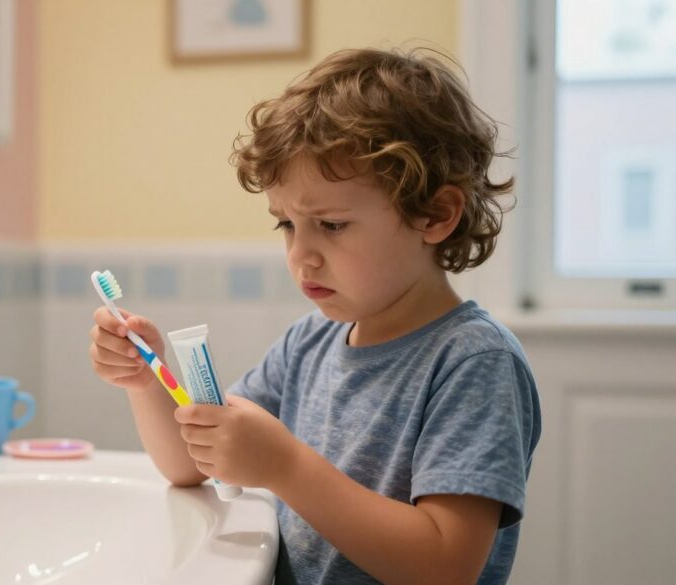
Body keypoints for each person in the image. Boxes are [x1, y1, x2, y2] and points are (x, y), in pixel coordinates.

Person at [88, 47, 541, 585]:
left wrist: (284, 467)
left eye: (330, 224)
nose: (301, 255)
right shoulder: (311, 340)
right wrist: (145, 380)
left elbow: (445, 567)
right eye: (286, 225)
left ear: (435, 215)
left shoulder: (472, 362)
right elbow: (195, 464)